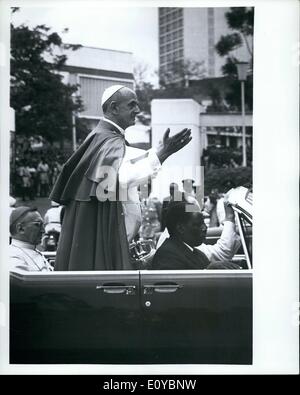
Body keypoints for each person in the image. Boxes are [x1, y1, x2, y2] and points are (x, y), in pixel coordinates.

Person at [50, 84, 192, 271]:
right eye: (132, 105)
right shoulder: (108, 139)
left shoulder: (107, 138)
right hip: (109, 244)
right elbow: (121, 177)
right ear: (114, 108)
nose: (138, 110)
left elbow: (128, 163)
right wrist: (162, 154)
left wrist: (158, 151)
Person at [152, 197, 241, 270]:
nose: (205, 228)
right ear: (181, 228)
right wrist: (208, 270)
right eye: (198, 224)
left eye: (204, 223)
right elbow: (185, 287)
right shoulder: (168, 256)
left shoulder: (193, 251)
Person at [9, 206, 53, 272]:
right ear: (21, 229)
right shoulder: (12, 257)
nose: (43, 231)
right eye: (38, 225)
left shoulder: (31, 249)